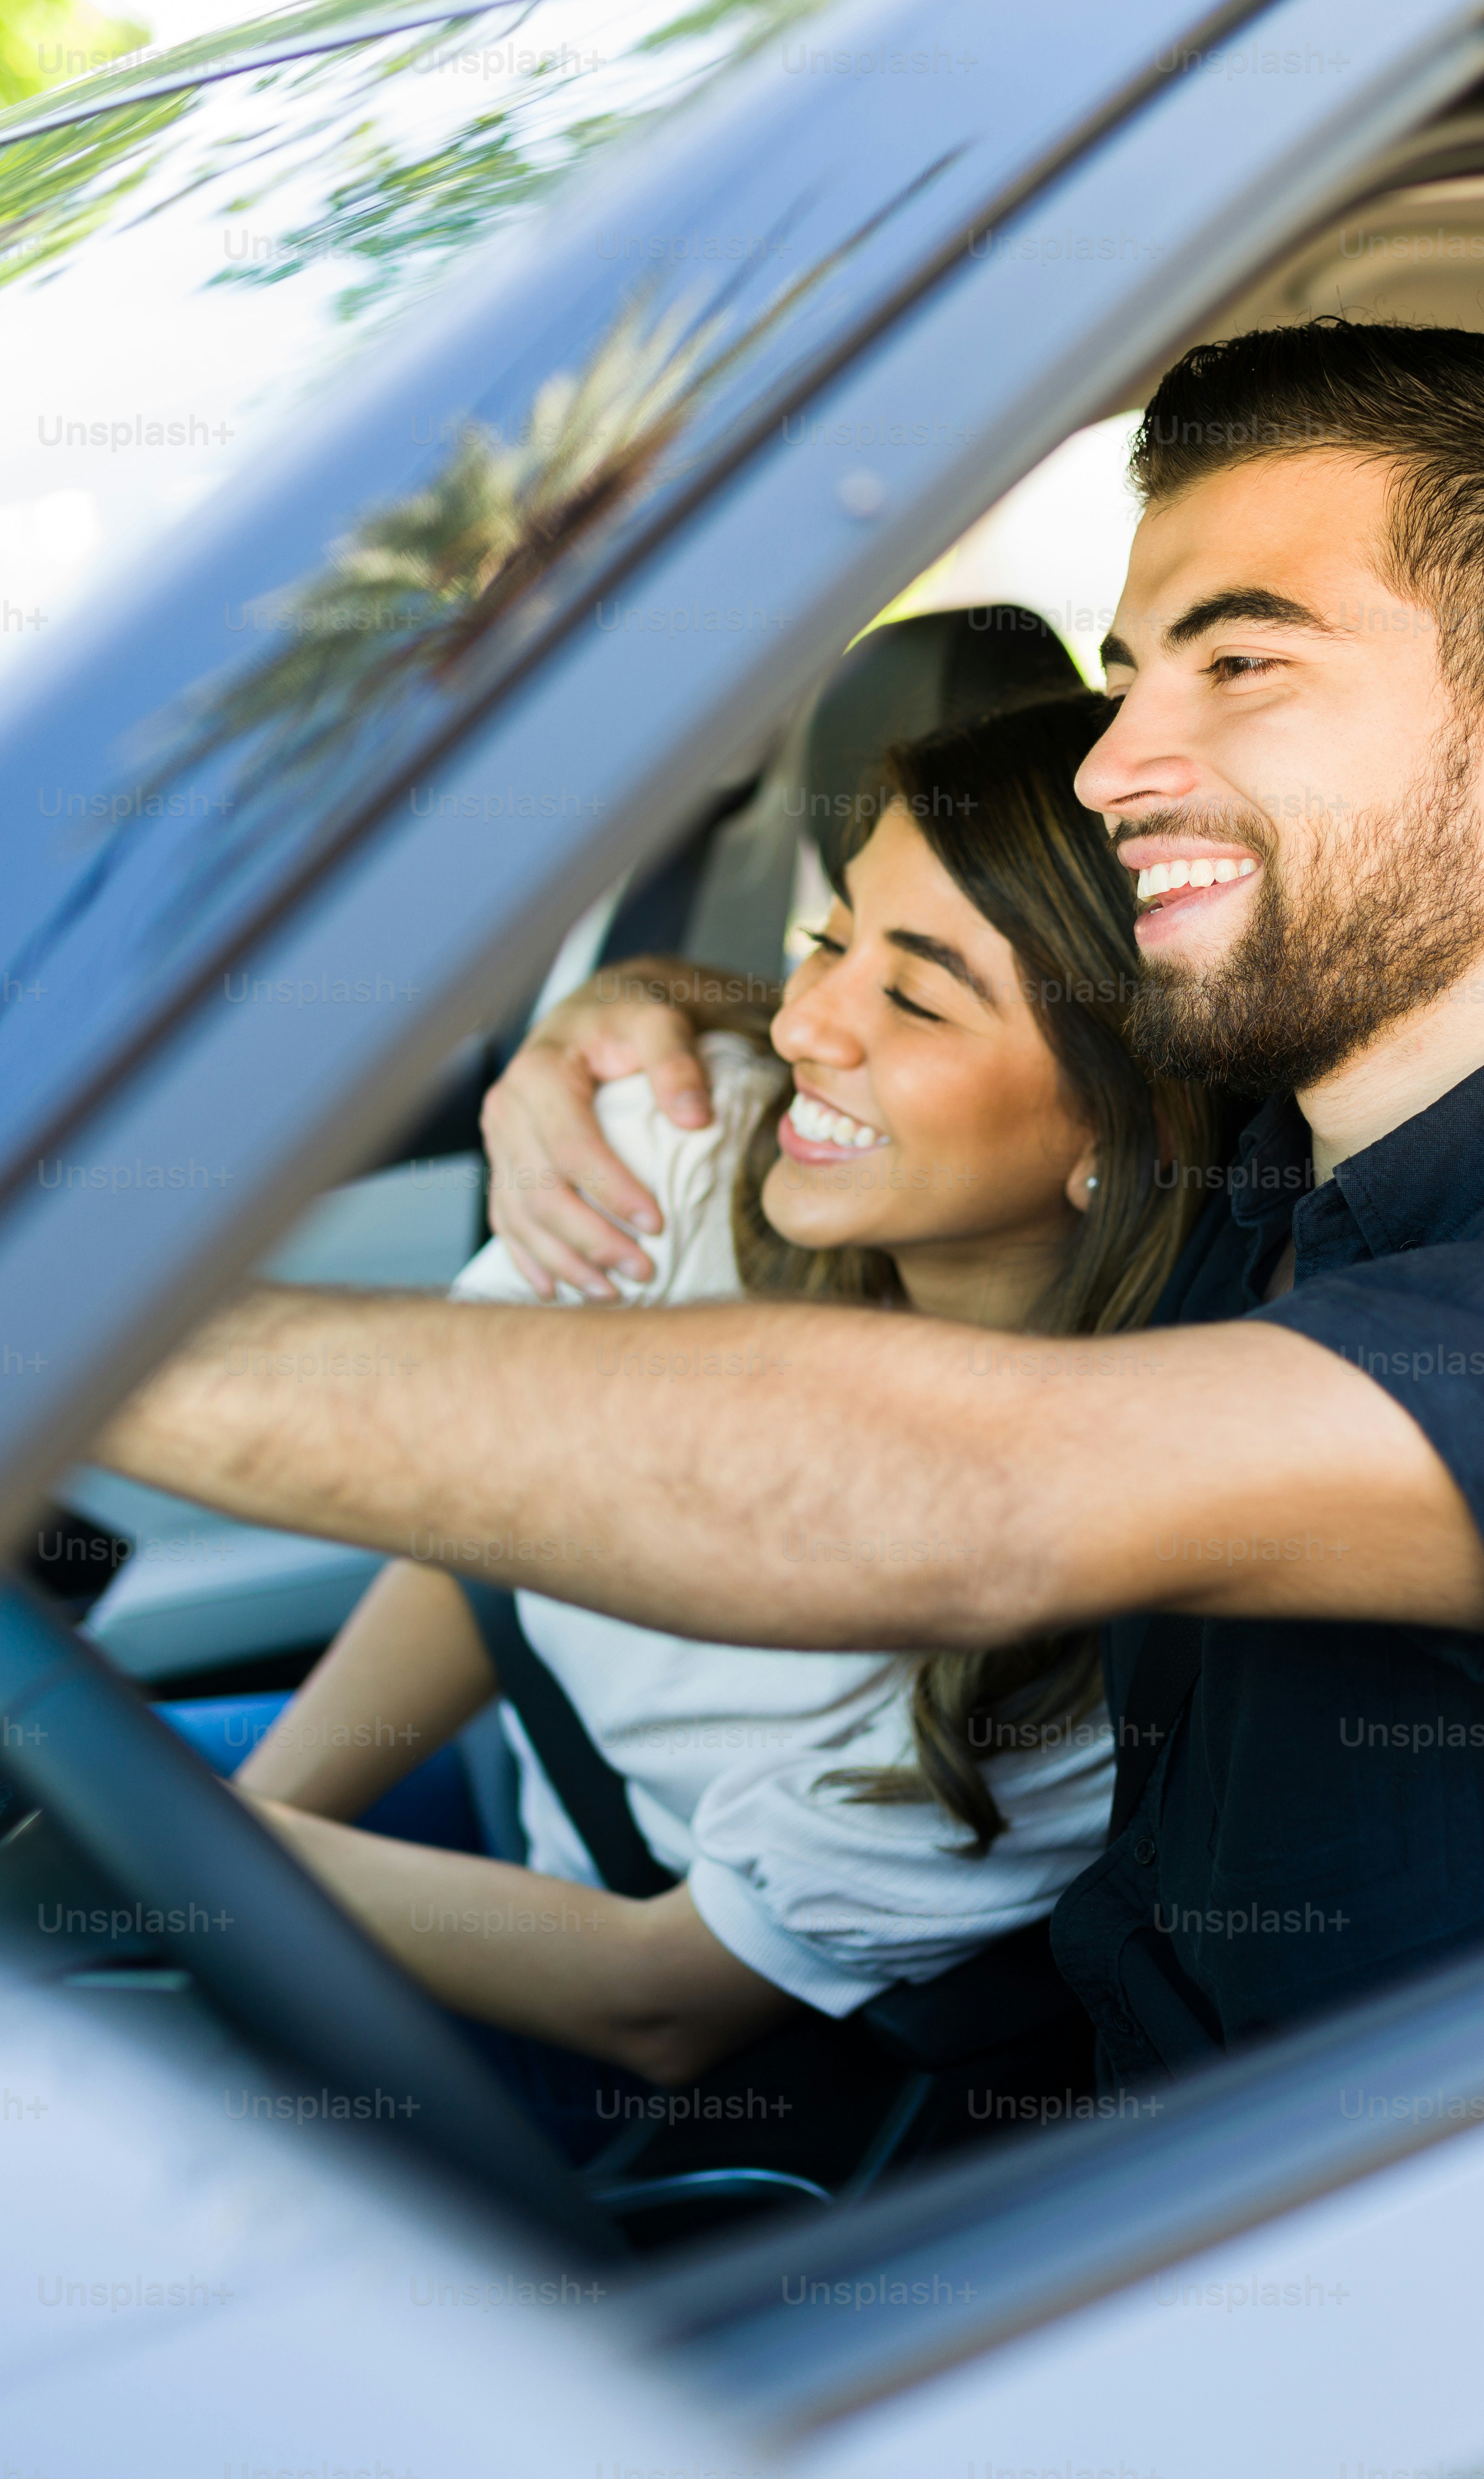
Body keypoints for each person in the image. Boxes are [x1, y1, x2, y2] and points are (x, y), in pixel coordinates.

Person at [107, 319, 1484, 2090]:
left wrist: (53, 1361)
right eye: (1133, 674)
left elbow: (972, 1501)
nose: (1121, 761)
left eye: (1240, 663)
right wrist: (670, 1016)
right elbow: (966, 1067)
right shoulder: (1255, 1164)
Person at [212, 692, 1218, 2131]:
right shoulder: (690, 1148)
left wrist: (224, 1868)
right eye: (830, 941)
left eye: (915, 997)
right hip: (454, 1803)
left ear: (1117, 1142)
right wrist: (272, 1816)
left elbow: (655, 1998)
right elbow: (477, 1512)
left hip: (607, 2035)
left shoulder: (1093, 1635)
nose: (802, 1021)